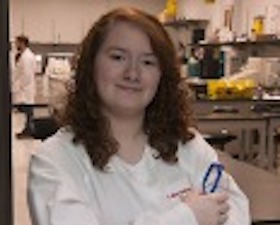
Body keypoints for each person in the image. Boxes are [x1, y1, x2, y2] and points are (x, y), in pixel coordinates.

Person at [27, 7, 250, 225]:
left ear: (162, 76)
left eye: (148, 62)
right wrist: (188, 217)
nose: (132, 73)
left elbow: (234, 211)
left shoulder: (188, 147)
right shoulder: (55, 161)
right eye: (118, 57)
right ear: (89, 65)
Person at [12, 35, 37, 138]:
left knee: (28, 112)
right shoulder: (25, 55)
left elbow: (26, 75)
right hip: (26, 88)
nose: (16, 45)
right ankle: (28, 130)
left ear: (22, 43)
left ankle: (29, 131)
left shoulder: (26, 57)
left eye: (17, 42)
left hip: (26, 88)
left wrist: (19, 86)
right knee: (28, 112)